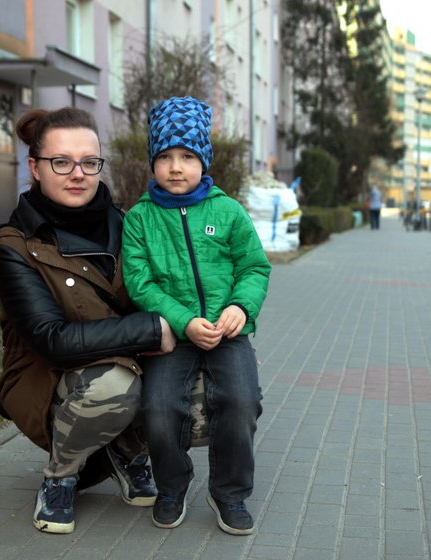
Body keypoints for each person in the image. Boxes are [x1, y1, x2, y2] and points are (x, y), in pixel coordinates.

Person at [0, 106, 177, 535]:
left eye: (89, 162)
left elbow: (170, 292)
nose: (78, 173)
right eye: (62, 162)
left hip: (128, 363)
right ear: (35, 168)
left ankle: (127, 450)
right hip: (48, 378)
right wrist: (151, 331)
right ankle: (62, 475)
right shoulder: (15, 247)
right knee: (113, 383)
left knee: (208, 383)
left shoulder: (129, 225)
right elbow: (50, 339)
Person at [121, 96, 271, 535]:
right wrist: (183, 320)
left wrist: (240, 307)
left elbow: (254, 266)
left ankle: (230, 493)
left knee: (242, 403)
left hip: (228, 332)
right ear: (152, 162)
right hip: (172, 334)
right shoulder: (140, 219)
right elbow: (139, 281)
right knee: (159, 408)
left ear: (203, 160)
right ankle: (172, 485)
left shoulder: (227, 211)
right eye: (164, 156)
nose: (175, 167)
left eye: (187, 156)